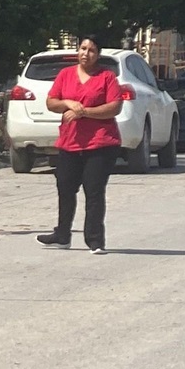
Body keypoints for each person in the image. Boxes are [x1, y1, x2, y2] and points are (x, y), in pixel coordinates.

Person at [37, 34, 122, 254]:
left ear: (98, 54)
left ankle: (95, 240)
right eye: (83, 48)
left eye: (91, 50)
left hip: (100, 143)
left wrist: (83, 112)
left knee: (93, 191)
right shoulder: (66, 75)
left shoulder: (107, 77)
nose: (86, 53)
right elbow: (51, 102)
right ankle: (62, 234)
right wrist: (67, 103)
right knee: (65, 188)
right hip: (69, 142)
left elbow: (115, 107)